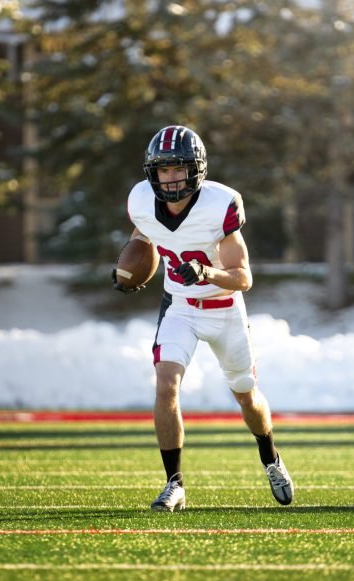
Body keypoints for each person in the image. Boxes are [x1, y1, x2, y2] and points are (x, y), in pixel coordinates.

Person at [113, 125, 293, 512]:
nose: (171, 177)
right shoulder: (142, 201)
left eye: (179, 168)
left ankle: (271, 459)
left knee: (246, 397)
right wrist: (129, 268)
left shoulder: (219, 204)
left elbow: (243, 277)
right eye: (164, 169)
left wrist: (208, 273)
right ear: (152, 173)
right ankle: (174, 483)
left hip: (224, 310)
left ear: (196, 169)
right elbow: (143, 238)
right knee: (166, 386)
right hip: (179, 307)